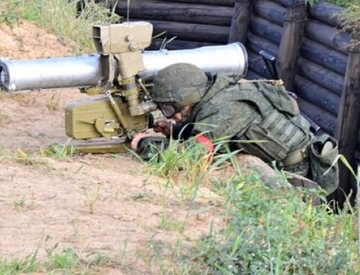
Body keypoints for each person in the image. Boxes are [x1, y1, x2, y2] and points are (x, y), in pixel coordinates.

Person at [129, 63, 339, 194]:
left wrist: (147, 145)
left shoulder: (225, 107)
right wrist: (176, 130)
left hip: (297, 179)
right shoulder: (220, 93)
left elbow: (193, 157)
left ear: (187, 99)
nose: (171, 115)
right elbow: (215, 131)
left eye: (169, 108)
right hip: (284, 163)